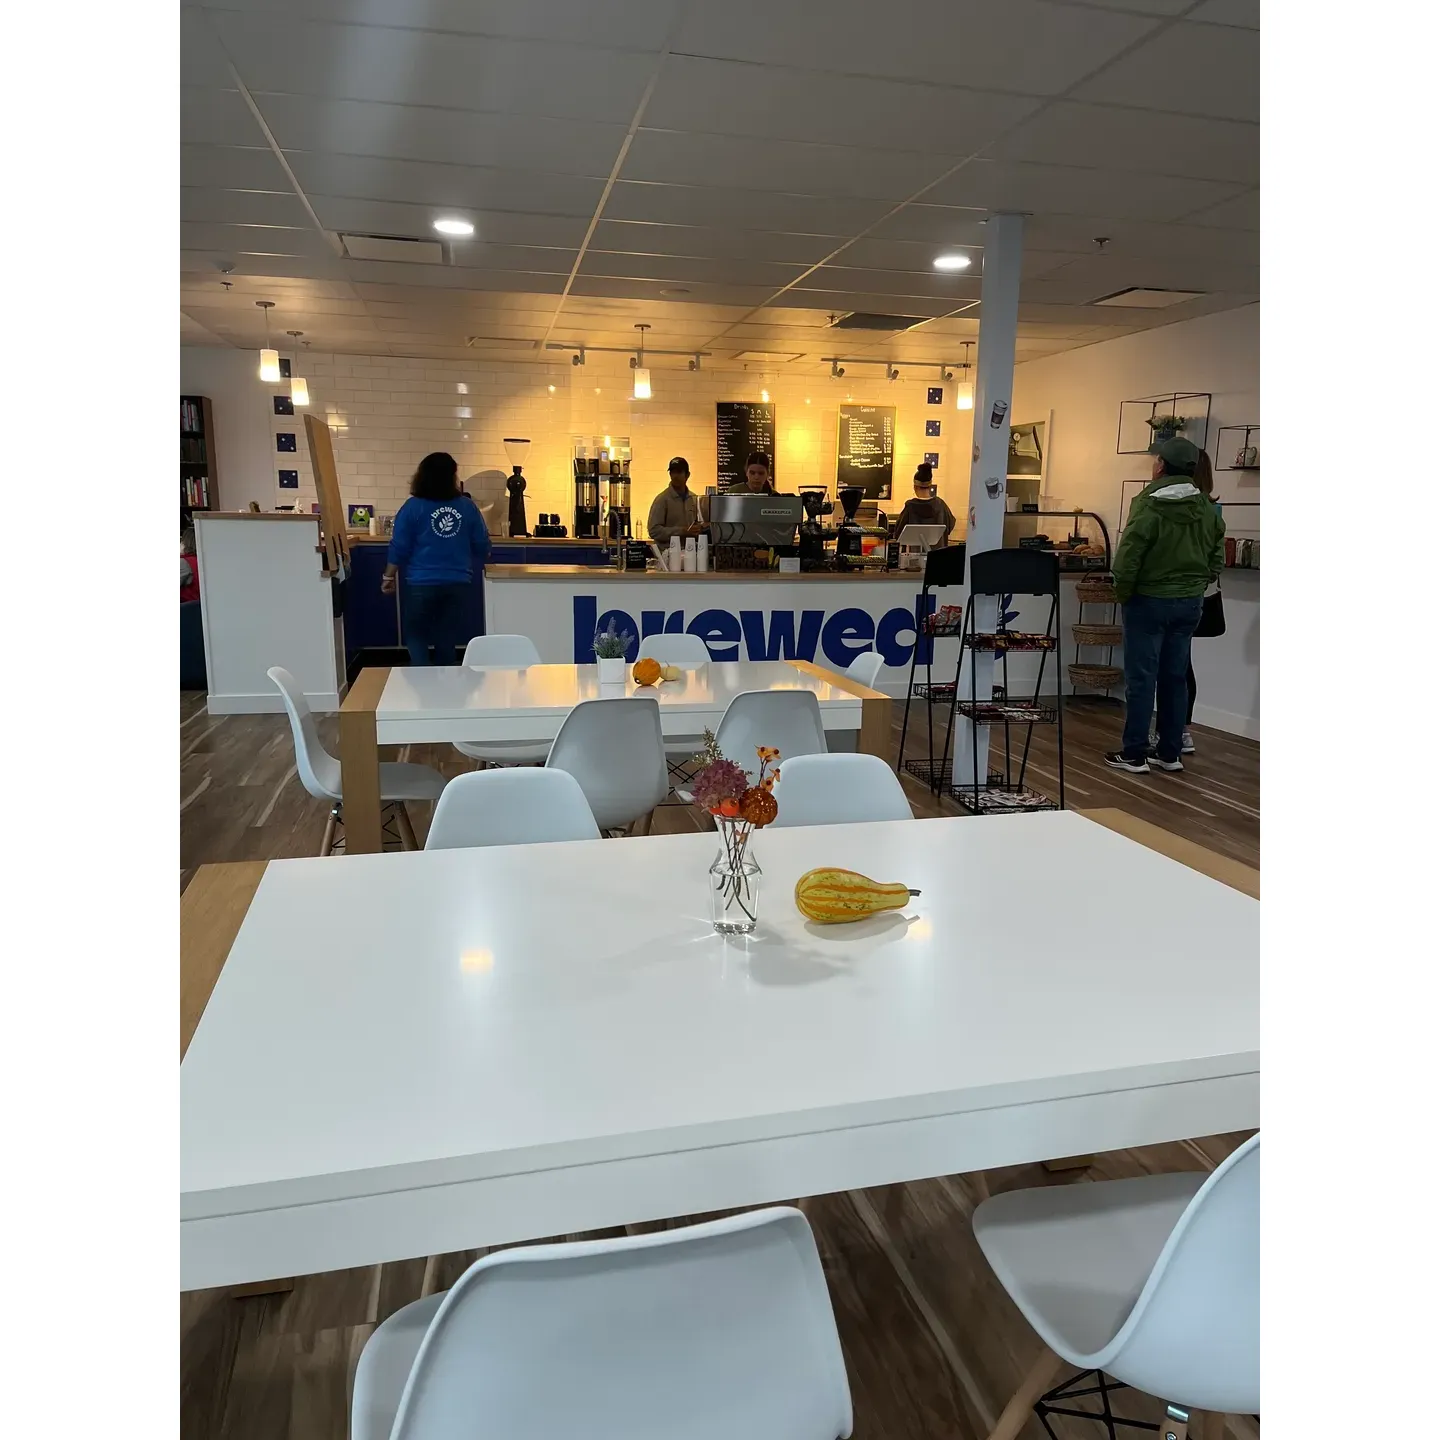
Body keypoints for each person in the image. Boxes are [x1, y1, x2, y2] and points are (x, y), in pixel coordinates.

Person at [1105, 436, 1225, 775]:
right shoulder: (1207, 508)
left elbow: (1130, 555)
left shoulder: (1149, 504)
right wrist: (1196, 584)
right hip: (1189, 603)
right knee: (1175, 678)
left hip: (1148, 600)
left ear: (1161, 466)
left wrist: (1123, 592)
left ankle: (1134, 753)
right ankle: (1170, 753)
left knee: (1141, 678)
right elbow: (1216, 557)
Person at [383, 451, 491, 666]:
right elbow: (482, 544)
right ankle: (446, 682)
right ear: (452, 476)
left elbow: (400, 546)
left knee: (416, 634)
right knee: (446, 636)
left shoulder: (413, 507)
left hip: (420, 583)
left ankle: (421, 677)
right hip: (457, 582)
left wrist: (388, 576)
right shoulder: (467, 506)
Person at [646, 456, 704, 544]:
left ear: (687, 475)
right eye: (673, 472)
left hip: (690, 551)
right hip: (667, 551)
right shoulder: (662, 500)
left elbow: (700, 525)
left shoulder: (694, 499)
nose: (675, 476)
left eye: (679, 472)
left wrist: (700, 528)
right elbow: (653, 531)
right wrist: (682, 531)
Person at [890, 463, 956, 541]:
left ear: (915, 487)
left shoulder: (910, 507)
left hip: (915, 549)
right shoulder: (941, 505)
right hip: (938, 549)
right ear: (930, 486)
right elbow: (950, 526)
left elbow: (898, 533)